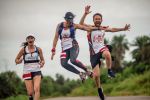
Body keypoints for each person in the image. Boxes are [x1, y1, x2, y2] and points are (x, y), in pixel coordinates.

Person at [79, 5, 130, 100]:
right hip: (93, 53)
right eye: (96, 19)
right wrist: (85, 14)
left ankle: (109, 71)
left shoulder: (103, 28)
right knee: (96, 76)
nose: (98, 20)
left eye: (99, 19)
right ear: (93, 20)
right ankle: (99, 90)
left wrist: (123, 29)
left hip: (102, 48)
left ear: (101, 20)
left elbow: (113, 29)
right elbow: (80, 24)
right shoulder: (90, 28)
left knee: (107, 53)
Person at [51, 12, 96, 82]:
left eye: (72, 20)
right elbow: (56, 37)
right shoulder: (59, 25)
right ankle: (80, 73)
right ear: (65, 19)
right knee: (63, 64)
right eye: (69, 20)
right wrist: (53, 49)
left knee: (73, 60)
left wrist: (98, 27)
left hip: (74, 46)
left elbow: (86, 28)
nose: (70, 22)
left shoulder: (74, 26)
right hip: (64, 48)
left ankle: (87, 70)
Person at [15, 34, 45, 100]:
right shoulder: (23, 50)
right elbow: (16, 59)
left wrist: (42, 63)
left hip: (37, 70)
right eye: (28, 38)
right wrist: (19, 61)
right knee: (30, 92)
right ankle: (30, 97)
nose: (30, 39)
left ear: (34, 40)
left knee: (37, 89)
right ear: (27, 40)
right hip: (27, 71)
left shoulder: (38, 49)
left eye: (31, 38)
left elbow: (42, 60)